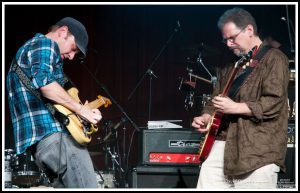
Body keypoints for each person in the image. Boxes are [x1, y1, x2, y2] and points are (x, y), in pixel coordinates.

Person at [192, 7, 289, 189]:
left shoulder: (275, 59)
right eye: (225, 40)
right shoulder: (230, 66)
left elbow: (274, 102)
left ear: (249, 30)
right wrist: (206, 117)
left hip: (257, 152)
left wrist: (235, 107)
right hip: (221, 147)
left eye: (232, 38)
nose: (228, 44)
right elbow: (215, 100)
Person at [6, 17, 102, 188]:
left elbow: (54, 98)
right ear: (63, 32)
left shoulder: (27, 51)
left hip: (41, 147)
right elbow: (46, 85)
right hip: (55, 138)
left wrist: (84, 114)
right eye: (74, 48)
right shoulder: (45, 44)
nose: (72, 56)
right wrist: (82, 110)